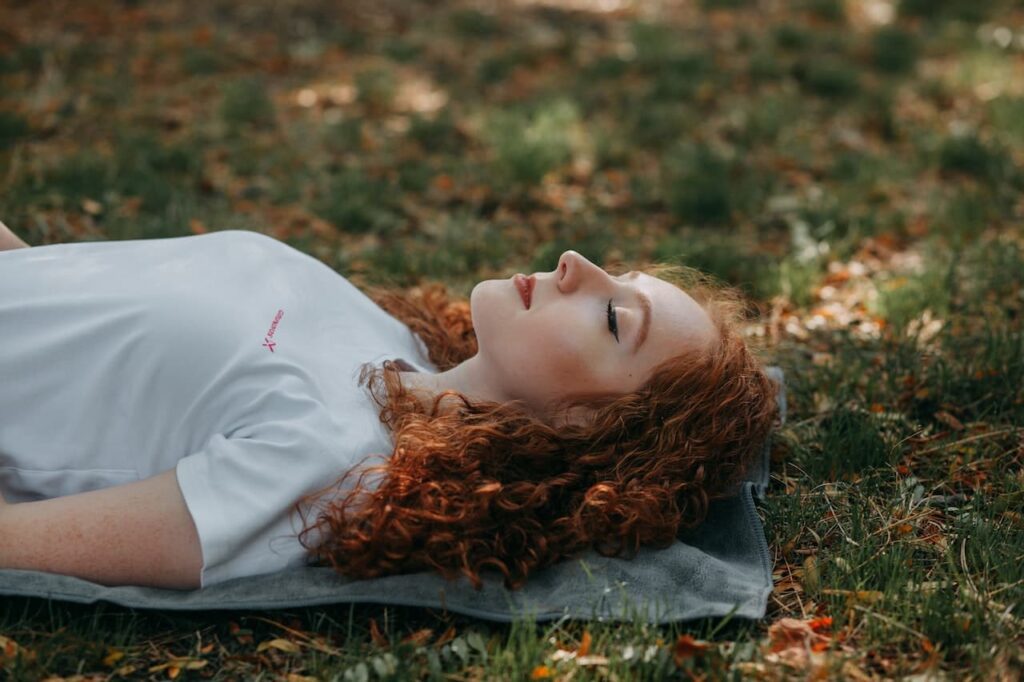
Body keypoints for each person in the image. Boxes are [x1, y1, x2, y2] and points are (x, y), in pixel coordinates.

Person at [0, 223, 778, 592]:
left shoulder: (336, 465)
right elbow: (72, 309)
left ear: (588, 427)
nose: (579, 264)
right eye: (622, 275)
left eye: (614, 319)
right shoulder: (391, 339)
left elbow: (20, 539)